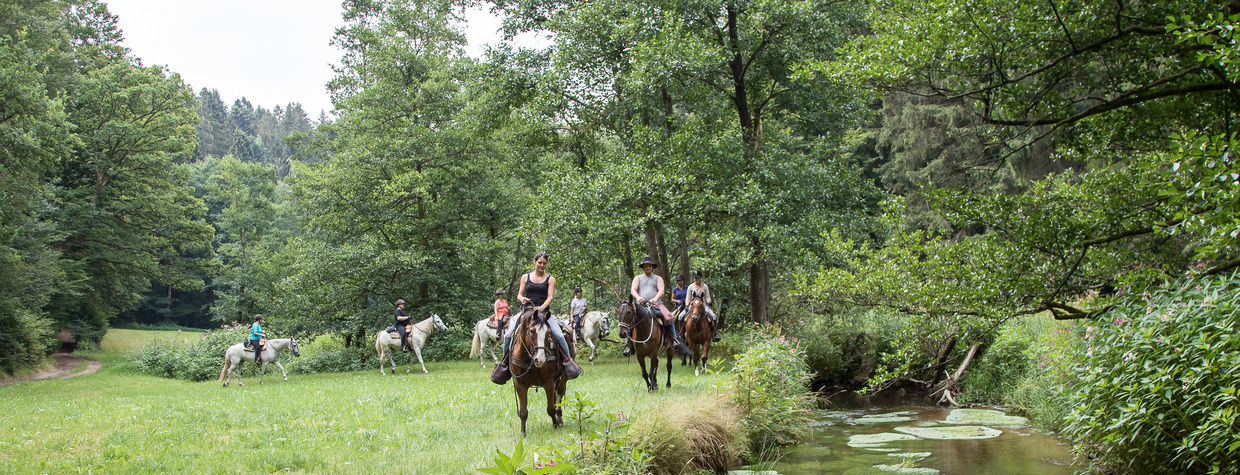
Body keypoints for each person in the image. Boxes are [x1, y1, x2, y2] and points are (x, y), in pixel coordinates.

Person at [492, 252, 582, 384]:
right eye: (539, 262)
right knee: (508, 335)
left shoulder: (550, 279)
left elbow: (550, 297)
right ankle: (505, 365)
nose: (542, 265)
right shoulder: (525, 277)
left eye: (544, 263)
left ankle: (568, 363)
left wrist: (541, 307)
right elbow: (519, 295)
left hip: (544, 313)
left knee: (560, 335)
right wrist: (522, 298)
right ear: (534, 262)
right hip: (526, 312)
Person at [628, 257, 691, 356]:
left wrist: (655, 298)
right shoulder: (638, 278)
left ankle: (674, 339)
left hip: (656, 304)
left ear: (652, 267)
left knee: (669, 317)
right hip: (641, 304)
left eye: (650, 266)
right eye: (646, 266)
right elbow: (633, 290)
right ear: (643, 267)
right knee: (629, 319)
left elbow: (661, 290)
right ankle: (629, 345)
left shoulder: (658, 278)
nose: (648, 267)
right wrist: (638, 297)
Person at [687, 270, 720, 342]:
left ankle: (714, 334)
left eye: (697, 278)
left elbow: (708, 297)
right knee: (681, 316)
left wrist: (709, 301)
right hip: (692, 306)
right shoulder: (690, 287)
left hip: (703, 306)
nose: (696, 279)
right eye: (695, 278)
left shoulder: (705, 286)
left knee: (713, 316)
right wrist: (687, 304)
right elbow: (688, 298)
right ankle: (682, 334)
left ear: (700, 278)